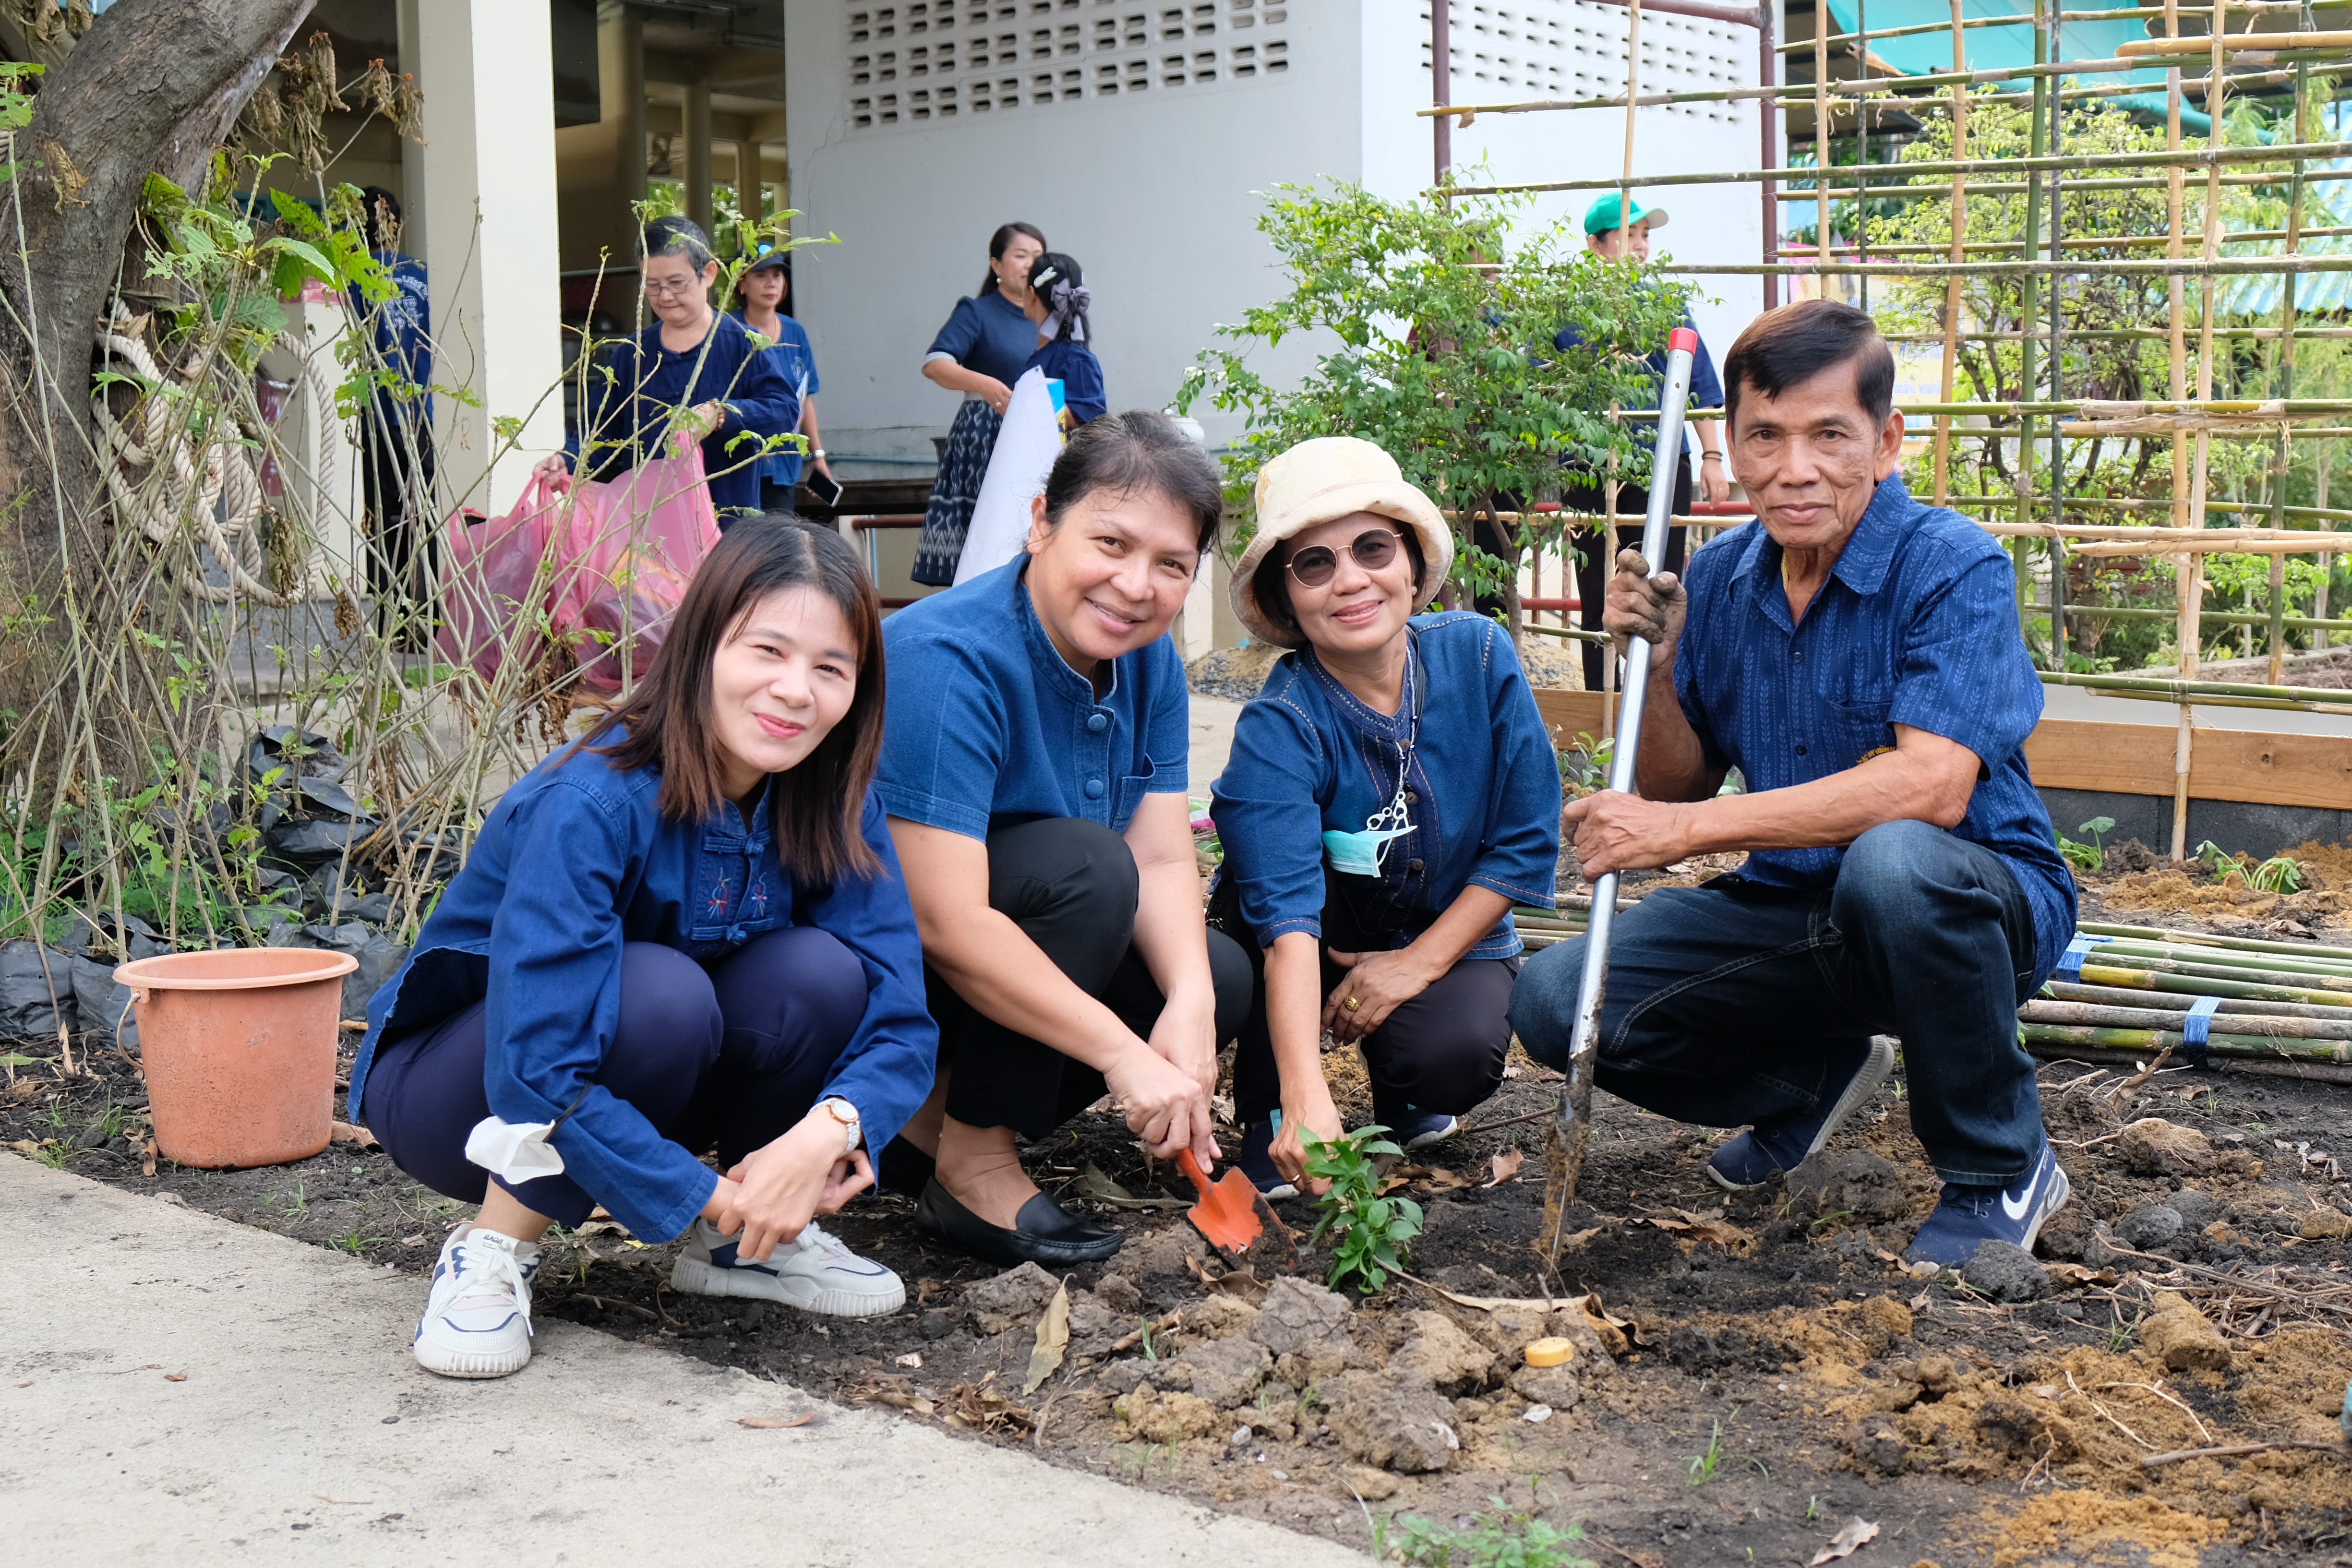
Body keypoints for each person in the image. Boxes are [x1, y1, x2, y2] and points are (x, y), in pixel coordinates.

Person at [1507, 299, 2078, 1270]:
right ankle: (1808, 1075)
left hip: (1966, 901)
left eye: (1828, 435)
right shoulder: (1725, 579)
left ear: (1885, 441)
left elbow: (1929, 788)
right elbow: (1673, 775)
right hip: (1792, 909)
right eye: (1763, 436)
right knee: (1556, 999)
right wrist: (1655, 653)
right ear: (1730, 445)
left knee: (1893, 864)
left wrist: (1679, 833)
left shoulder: (1950, 568)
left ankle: (1999, 1165)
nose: (1793, 467)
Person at [348, 519, 936, 1378]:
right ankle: (494, 1248)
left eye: (830, 668)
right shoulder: (590, 801)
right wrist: (699, 1188)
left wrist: (829, 1131)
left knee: (820, 975)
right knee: (660, 992)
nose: (795, 691)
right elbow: (537, 1067)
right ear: (701, 645)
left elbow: (901, 1014)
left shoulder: (832, 799)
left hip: (649, 1076)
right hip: (466, 1096)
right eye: (766, 649)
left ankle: (745, 1246)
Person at [877, 411, 1253, 1266]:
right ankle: (971, 1160)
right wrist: (1126, 1058)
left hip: (1012, 941)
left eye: (1171, 565)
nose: (1135, 585)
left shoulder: (1144, 657)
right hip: (881, 972)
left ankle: (923, 1119)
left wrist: (1190, 1004)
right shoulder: (948, 658)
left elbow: (1163, 852)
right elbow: (944, 921)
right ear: (1043, 519)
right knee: (1086, 869)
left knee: (1217, 975)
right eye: (1111, 543)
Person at [1211, 438, 1561, 1199]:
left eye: (1373, 547)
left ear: (1410, 562)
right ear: (1287, 595)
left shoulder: (1478, 657)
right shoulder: (1282, 722)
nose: (1351, 580)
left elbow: (1527, 836)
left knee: (1457, 1056)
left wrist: (1417, 964)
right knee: (1267, 921)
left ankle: (1402, 1090)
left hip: (1441, 925)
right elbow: (1286, 920)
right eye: (1315, 563)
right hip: (1314, 932)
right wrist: (1306, 1095)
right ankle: (1273, 1105)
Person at [1551, 193, 1730, 692]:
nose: (1640, 246)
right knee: (1596, 592)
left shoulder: (1666, 303)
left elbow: (1701, 384)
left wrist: (1713, 457)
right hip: (1588, 466)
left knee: (1661, 586)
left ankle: (1658, 702)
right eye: (1629, 235)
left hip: (1662, 460)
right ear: (1595, 243)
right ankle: (1600, 705)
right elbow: (1538, 392)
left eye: (1645, 236)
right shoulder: (1565, 308)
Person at [532, 216, 796, 526]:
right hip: (644, 538)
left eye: (676, 283)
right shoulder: (631, 356)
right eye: (653, 286)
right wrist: (569, 461)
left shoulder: (743, 344)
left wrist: (722, 414)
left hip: (727, 533)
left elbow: (783, 409)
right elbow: (600, 436)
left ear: (709, 274)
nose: (665, 296)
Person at [912, 221, 1048, 584]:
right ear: (996, 265)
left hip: (1039, 436)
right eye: (1021, 256)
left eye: (1038, 257)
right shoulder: (978, 311)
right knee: (987, 540)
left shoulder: (1051, 319)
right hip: (985, 435)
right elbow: (935, 364)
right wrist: (984, 384)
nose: (1030, 264)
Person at [349, 185, 435, 636]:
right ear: (396, 226)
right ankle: (431, 619)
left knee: (385, 518)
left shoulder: (355, 277)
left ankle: (394, 622)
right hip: (425, 415)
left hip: (381, 415)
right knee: (424, 515)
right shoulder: (424, 274)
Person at [732, 242, 836, 510]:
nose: (771, 284)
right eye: (760, 275)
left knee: (780, 545)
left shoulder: (795, 332)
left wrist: (817, 456)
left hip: (783, 465)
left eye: (777, 275)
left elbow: (804, 398)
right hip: (737, 465)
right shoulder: (728, 332)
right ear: (742, 284)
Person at [1018, 251, 1106, 429]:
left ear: (1032, 294)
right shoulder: (1048, 353)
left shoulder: (1076, 359)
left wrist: (1032, 403)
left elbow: (1093, 418)